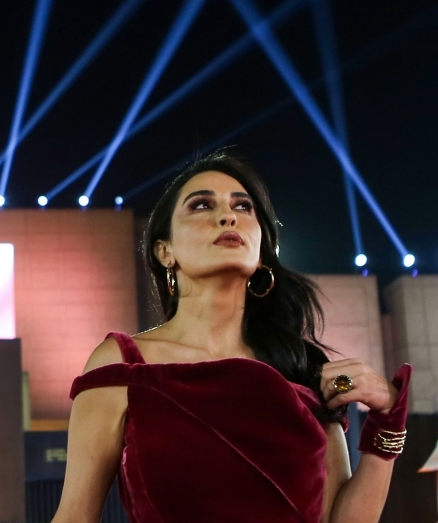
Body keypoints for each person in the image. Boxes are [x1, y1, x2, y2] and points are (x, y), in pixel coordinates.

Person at [54, 150, 410, 523]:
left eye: (243, 207)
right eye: (201, 205)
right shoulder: (124, 364)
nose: (227, 216)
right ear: (164, 251)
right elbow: (75, 515)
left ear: (261, 252)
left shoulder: (301, 367)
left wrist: (387, 422)